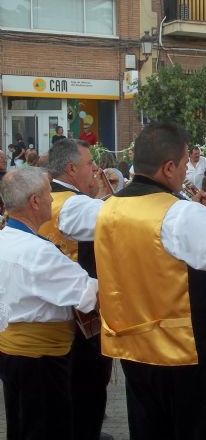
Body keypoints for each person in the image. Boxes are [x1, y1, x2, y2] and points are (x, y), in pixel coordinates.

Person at [59, 122, 206, 440]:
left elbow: (68, 218)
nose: (186, 171)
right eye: (184, 164)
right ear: (168, 167)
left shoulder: (102, 211)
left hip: (134, 353)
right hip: (187, 355)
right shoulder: (181, 215)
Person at [0, 167, 98, 440]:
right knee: (47, 429)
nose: (52, 200)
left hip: (12, 353)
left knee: (21, 425)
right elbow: (87, 294)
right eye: (47, 194)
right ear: (33, 201)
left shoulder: (6, 239)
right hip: (41, 360)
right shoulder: (38, 252)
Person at [37, 139, 113, 440]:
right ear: (71, 169)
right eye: (89, 165)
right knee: (89, 384)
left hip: (47, 312)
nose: (95, 170)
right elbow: (123, 223)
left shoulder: (44, 197)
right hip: (83, 314)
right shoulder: (78, 204)